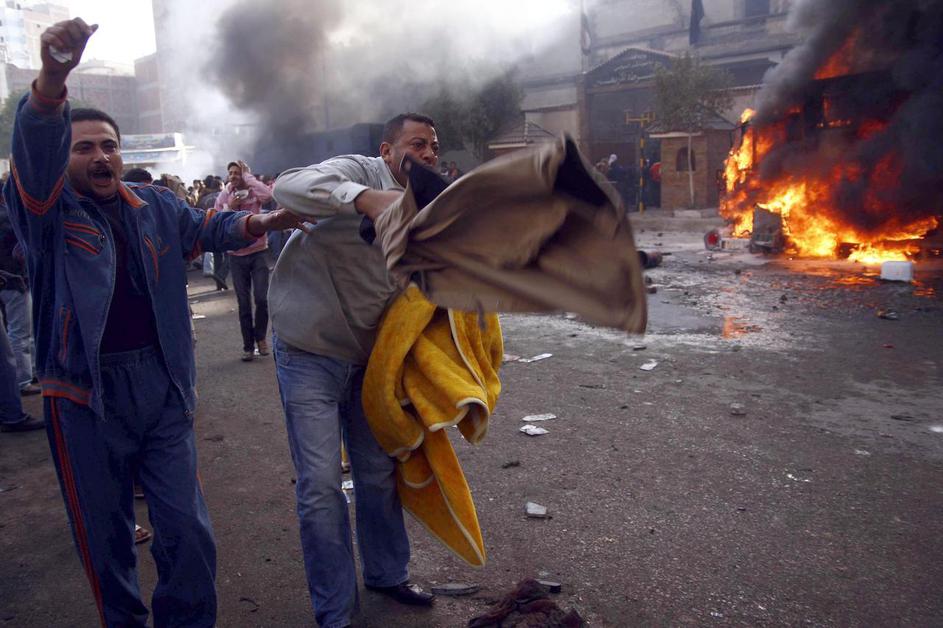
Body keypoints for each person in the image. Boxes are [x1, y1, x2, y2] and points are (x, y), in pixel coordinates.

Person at [3, 18, 302, 626]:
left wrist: (263, 222)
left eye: (108, 146)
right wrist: (54, 77)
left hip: (162, 386)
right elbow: (32, 156)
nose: (100, 156)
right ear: (62, 159)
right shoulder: (47, 217)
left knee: (187, 529)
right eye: (83, 148)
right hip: (82, 394)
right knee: (105, 537)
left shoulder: (157, 206)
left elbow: (210, 228)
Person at [268, 112, 440, 627]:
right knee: (322, 485)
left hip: (371, 361)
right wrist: (366, 200)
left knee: (378, 473)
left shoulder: (431, 202)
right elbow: (287, 186)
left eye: (433, 146)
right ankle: (336, 611)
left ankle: (387, 573)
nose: (428, 153)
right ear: (387, 151)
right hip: (308, 350)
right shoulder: (358, 172)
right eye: (417, 143)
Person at [215, 160, 273, 361]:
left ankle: (261, 338)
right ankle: (248, 346)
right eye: (230, 173)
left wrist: (249, 177)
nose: (233, 176)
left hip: (259, 252)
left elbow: (268, 196)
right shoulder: (225, 194)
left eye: (237, 173)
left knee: (262, 299)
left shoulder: (253, 190)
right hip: (236, 256)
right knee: (243, 303)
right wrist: (230, 207)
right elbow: (216, 220)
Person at [0, 198, 39, 395]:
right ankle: (24, 379)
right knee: (20, 332)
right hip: (14, 280)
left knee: (20, 331)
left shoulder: (6, 212)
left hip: (11, 279)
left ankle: (29, 372)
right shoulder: (6, 215)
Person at [196, 175, 229, 291]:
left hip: (209, 229)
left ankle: (219, 283)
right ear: (220, 186)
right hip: (223, 228)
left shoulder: (204, 199)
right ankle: (221, 275)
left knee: (217, 256)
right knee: (231, 255)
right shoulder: (223, 196)